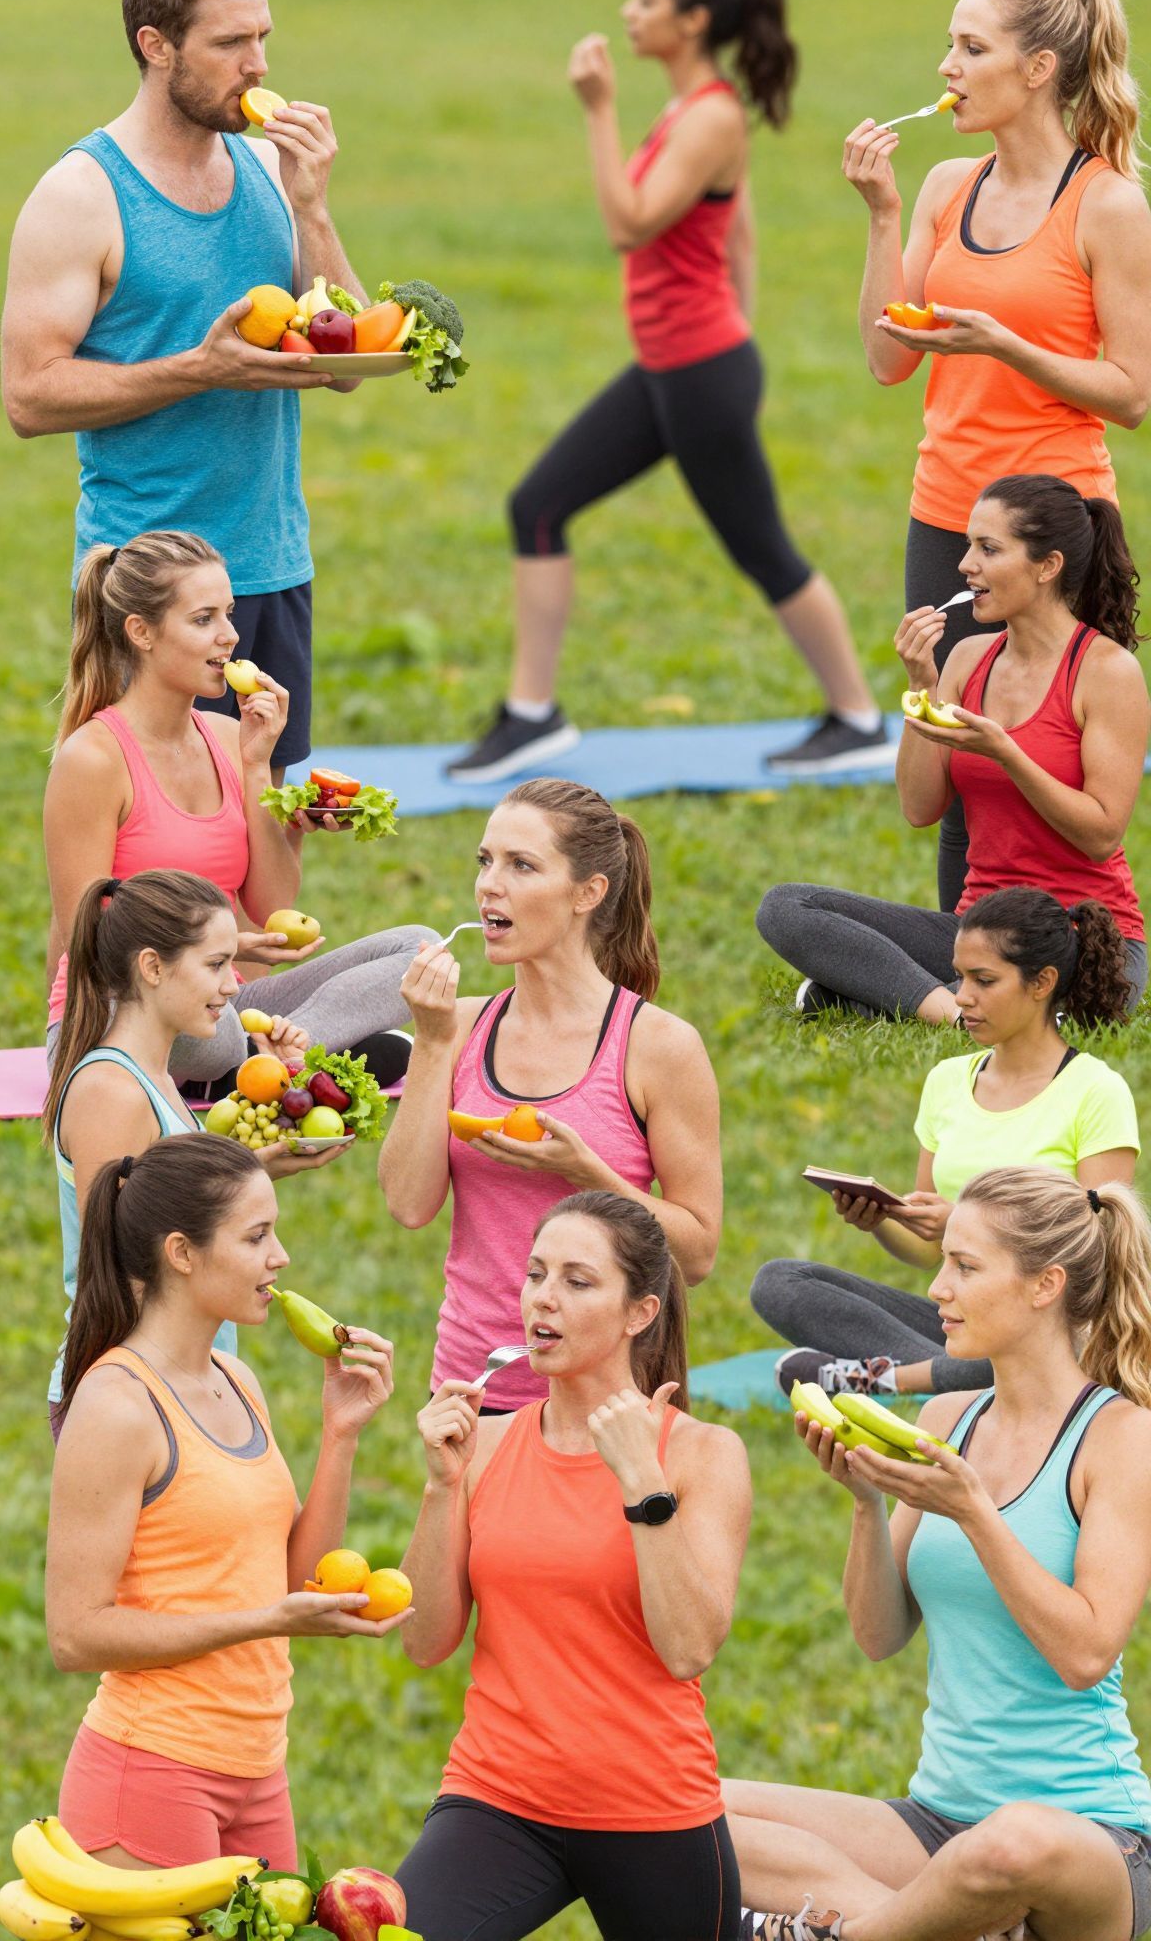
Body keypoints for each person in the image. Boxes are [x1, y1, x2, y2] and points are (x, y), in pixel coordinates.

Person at [448, 0, 886, 783]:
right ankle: (532, 715)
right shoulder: (696, 112)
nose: (629, 11)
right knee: (537, 506)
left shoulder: (713, 116)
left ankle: (859, 716)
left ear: (691, 21)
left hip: (697, 374)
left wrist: (597, 108)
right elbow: (742, 236)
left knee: (762, 548)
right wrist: (738, 348)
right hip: (682, 369)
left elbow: (628, 222)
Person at [727, 1165, 1151, 1941]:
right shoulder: (951, 1414)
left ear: (1043, 1285)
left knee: (1010, 1843)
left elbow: (1087, 1653)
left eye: (965, 1268)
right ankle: (937, 1927)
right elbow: (878, 1636)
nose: (939, 1293)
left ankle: (855, 1934)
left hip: (1087, 1838)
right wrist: (865, 1500)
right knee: (692, 1807)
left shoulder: (1122, 1437)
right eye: (945, 1264)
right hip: (934, 1822)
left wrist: (976, 1515)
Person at [1, 0, 365, 770]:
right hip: (150, 590)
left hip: (271, 569)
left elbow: (345, 367)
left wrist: (312, 207)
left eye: (263, 36)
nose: (260, 65)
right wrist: (202, 369)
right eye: (231, 42)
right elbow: (28, 396)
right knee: (156, 872)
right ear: (155, 45)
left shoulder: (272, 173)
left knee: (268, 844)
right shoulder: (81, 195)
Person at [843, 0, 1151, 907]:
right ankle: (972, 965)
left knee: (1046, 752)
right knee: (956, 753)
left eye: (972, 48)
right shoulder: (944, 185)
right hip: (947, 516)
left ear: (1039, 69)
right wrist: (885, 216)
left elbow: (1133, 393)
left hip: (1059, 531)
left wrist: (1004, 344)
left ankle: (1079, 953)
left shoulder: (1107, 204)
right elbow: (890, 360)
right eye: (950, 44)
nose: (948, 67)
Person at [396, 1190, 750, 1941]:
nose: (542, 1300)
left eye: (577, 1282)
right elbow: (424, 1643)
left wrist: (640, 1484)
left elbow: (688, 1649)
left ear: (639, 1314)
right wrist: (440, 1486)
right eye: (534, 1274)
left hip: (653, 1805)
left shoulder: (701, 1454)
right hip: (498, 1796)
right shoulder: (485, 1446)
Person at [47, 1131, 407, 1870]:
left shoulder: (237, 1382)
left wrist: (340, 1434)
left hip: (257, 1770)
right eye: (257, 1236)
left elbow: (289, 1584)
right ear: (182, 1252)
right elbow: (74, 1636)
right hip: (151, 1770)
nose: (280, 1258)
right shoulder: (116, 1405)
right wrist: (264, 1623)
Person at [379, 777, 722, 1410]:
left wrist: (584, 1172)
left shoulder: (658, 1046)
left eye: (521, 865)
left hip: (608, 1403)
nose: (489, 884)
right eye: (485, 861)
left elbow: (697, 1254)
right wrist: (429, 1042)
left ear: (587, 893)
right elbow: (407, 1204)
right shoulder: (456, 1028)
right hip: (472, 1389)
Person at [43, 529, 434, 1081]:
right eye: (204, 619)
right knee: (209, 1028)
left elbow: (273, 900)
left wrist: (256, 765)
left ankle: (279, 1053)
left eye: (228, 614)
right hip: (119, 1012)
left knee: (420, 950)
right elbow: (88, 932)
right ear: (141, 632)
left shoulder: (229, 737)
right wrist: (211, 946)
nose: (230, 636)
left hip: (217, 1004)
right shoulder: (93, 759)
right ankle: (269, 1056)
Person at [757, 475, 1149, 1020]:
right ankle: (961, 1009)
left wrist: (1007, 753)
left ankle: (891, 997)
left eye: (988, 549)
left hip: (1083, 936)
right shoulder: (967, 658)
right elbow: (919, 809)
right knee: (786, 907)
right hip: (978, 930)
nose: (965, 564)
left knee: (1044, 978)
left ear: (1047, 565)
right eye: (969, 546)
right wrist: (922, 686)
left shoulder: (1107, 672)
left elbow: (1102, 834)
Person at [752, 886, 1139, 1402]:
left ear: (1042, 983)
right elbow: (927, 1248)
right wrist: (886, 1220)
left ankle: (886, 1378)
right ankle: (954, 1374)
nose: (960, 997)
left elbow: (1099, 1249)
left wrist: (964, 1218)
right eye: (959, 977)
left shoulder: (1096, 1090)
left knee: (1014, 1355)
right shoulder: (947, 1080)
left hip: (1055, 1328)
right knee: (781, 1282)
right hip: (965, 1320)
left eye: (984, 981)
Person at [43, 869, 353, 1438]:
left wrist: (260, 1160)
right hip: (134, 1392)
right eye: (215, 965)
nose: (234, 985)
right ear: (153, 967)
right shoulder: (111, 1091)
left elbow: (165, 1208)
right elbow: (116, 1258)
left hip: (180, 1376)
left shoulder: (155, 1078)